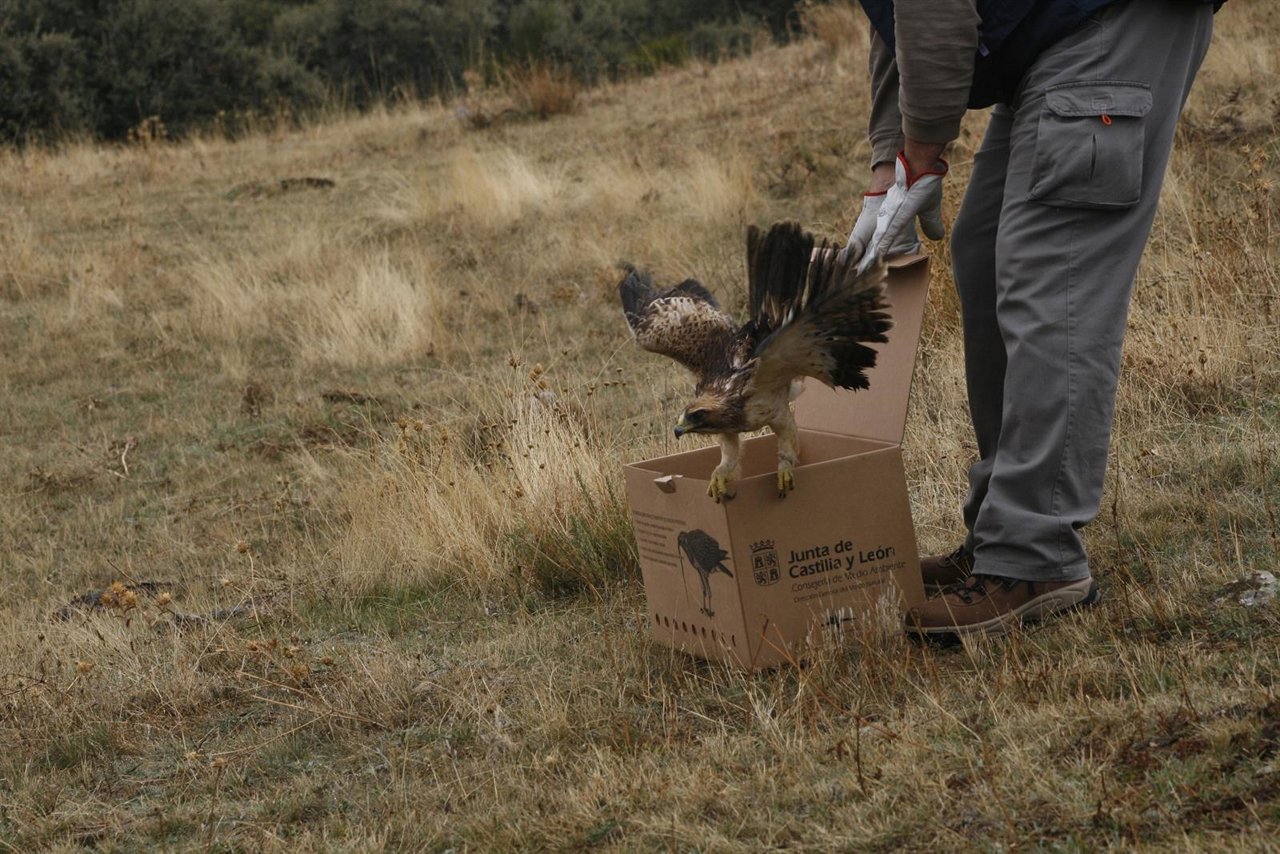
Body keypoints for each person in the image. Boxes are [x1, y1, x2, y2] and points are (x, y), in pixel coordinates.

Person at [843, 0, 1221, 637]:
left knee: (1052, 273)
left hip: (1114, 19)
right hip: (1052, 30)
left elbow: (930, 9)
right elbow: (898, 21)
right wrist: (891, 167)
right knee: (984, 247)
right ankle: (1002, 530)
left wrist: (921, 151)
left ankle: (1033, 555)